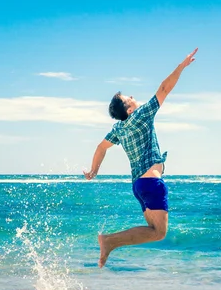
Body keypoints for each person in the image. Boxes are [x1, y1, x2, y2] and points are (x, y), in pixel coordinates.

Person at [84, 48, 198, 268]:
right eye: (130, 98)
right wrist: (182, 66)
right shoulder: (141, 115)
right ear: (128, 109)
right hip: (151, 182)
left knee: (155, 232)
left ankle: (110, 243)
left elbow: (101, 148)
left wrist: (93, 172)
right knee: (159, 233)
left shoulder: (119, 128)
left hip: (138, 185)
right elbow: (164, 88)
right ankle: (109, 241)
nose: (134, 98)